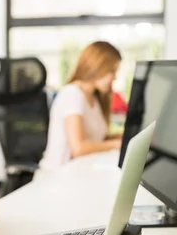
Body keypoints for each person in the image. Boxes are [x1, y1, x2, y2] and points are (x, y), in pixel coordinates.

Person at [39, 41, 122, 171]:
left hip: (80, 170)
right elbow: (78, 148)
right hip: (58, 175)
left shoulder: (93, 97)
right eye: (112, 71)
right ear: (97, 66)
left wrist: (122, 137)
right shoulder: (72, 94)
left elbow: (97, 139)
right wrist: (115, 144)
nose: (115, 77)